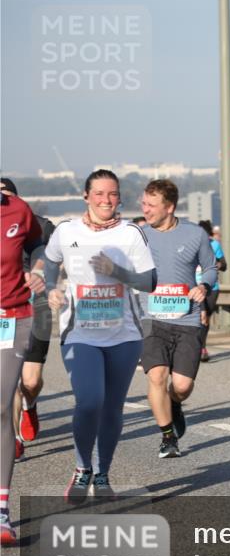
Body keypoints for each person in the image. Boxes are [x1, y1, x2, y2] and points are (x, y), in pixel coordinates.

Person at [40, 169, 157, 502]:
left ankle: (102, 472)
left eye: (113, 194)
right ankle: (81, 467)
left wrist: (115, 271)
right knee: (89, 401)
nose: (107, 200)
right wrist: (51, 288)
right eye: (100, 194)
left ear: (119, 197)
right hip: (80, 331)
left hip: (124, 332)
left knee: (112, 408)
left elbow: (149, 282)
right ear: (86, 196)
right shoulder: (66, 230)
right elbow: (50, 261)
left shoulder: (131, 233)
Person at [139, 180, 217, 458]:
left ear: (169, 207)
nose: (144, 209)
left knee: (182, 386)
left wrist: (203, 287)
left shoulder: (194, 234)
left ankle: (174, 403)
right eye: (143, 203)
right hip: (152, 319)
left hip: (187, 319)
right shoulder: (139, 235)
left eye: (151, 204)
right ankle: (168, 437)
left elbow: (210, 268)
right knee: (157, 376)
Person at [1, 185, 45, 546]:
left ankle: (1, 512)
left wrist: (41, 268)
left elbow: (38, 243)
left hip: (12, 317)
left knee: (2, 406)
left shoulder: (17, 210)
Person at [0, 179, 55, 459]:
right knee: (7, 384)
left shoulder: (42, 225)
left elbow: (56, 258)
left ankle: (30, 406)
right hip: (6, 311)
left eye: (6, 193)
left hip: (38, 308)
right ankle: (15, 437)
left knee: (30, 381)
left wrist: (39, 274)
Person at [196, 219, 226, 362]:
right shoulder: (193, 245)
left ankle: (202, 346)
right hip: (196, 287)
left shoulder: (215, 245)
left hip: (212, 288)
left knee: (205, 319)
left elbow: (224, 264)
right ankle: (198, 348)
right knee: (199, 318)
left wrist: (215, 266)